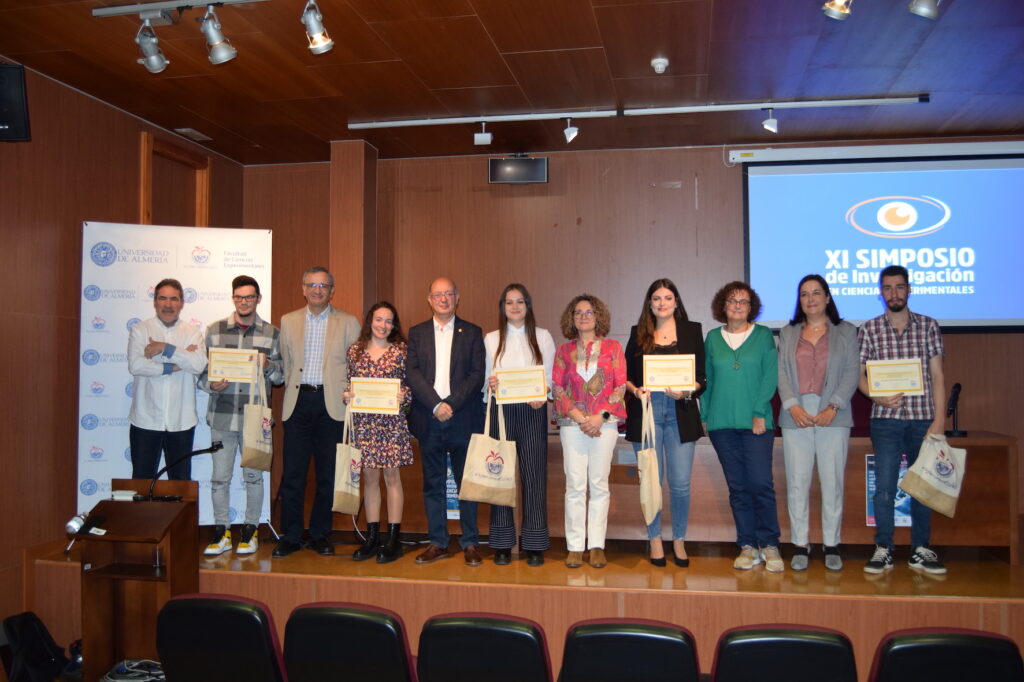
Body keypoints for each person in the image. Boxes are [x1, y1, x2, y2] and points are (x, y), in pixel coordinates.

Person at [858, 265, 947, 575]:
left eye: (899, 287)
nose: (893, 293)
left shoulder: (928, 326)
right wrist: (876, 396)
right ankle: (884, 547)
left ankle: (921, 548)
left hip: (923, 419)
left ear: (909, 289)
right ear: (880, 292)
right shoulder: (869, 329)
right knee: (884, 487)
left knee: (922, 487)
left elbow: (938, 375)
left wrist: (939, 420)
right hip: (885, 419)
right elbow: (858, 376)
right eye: (887, 288)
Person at [274, 267, 360, 558]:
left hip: (332, 404)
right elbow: (287, 363)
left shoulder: (348, 322)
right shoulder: (288, 321)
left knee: (327, 475)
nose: (317, 290)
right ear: (303, 289)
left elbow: (355, 366)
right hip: (298, 403)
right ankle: (291, 535)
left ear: (332, 290)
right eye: (312, 285)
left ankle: (320, 534)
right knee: (293, 474)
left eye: (323, 285)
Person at [777, 274, 859, 571]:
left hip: (833, 414)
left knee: (832, 482)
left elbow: (852, 371)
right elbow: (781, 372)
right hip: (795, 414)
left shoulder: (846, 332)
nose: (810, 299)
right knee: (797, 482)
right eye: (804, 294)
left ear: (827, 297)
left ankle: (831, 543)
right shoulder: (788, 333)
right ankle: (800, 543)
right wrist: (792, 406)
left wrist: (833, 406)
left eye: (815, 293)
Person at [198, 275, 283, 556]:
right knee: (219, 478)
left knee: (254, 478)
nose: (244, 302)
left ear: (258, 299)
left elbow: (281, 376)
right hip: (222, 416)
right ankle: (221, 532)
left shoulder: (271, 333)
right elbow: (201, 372)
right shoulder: (214, 330)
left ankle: (250, 530)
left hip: (254, 420)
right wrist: (210, 384)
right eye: (239, 297)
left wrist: (268, 365)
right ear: (233, 298)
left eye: (249, 297)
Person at [624, 278, 705, 567]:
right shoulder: (638, 332)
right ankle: (655, 538)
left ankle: (679, 539)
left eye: (668, 298)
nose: (662, 303)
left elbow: (702, 377)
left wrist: (688, 390)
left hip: (681, 412)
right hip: (648, 413)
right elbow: (626, 377)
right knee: (651, 482)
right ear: (650, 303)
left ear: (676, 302)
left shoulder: (692, 330)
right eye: (656, 298)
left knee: (680, 484)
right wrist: (636, 391)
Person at [703, 281, 782, 572]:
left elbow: (770, 375)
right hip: (721, 423)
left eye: (743, 301)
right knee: (737, 488)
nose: (737, 305)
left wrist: (760, 412)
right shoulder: (712, 338)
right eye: (732, 300)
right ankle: (747, 545)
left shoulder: (763, 336)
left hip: (756, 422)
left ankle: (770, 544)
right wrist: (705, 416)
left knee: (760, 484)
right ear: (723, 306)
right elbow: (707, 379)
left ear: (751, 307)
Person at [406, 277, 486, 566]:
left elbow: (477, 375)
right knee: (433, 484)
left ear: (457, 297)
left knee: (467, 484)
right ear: (429, 299)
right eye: (438, 294)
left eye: (448, 294)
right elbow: (412, 373)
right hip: (429, 418)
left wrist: (450, 404)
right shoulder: (417, 333)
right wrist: (436, 404)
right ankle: (438, 542)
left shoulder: (472, 332)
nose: (443, 299)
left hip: (463, 417)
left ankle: (470, 542)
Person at [552, 294, 627, 569]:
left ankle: (596, 545)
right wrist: (579, 417)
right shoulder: (563, 351)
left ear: (599, 316)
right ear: (571, 318)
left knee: (599, 484)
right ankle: (574, 546)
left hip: (604, 425)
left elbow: (620, 387)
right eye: (578, 313)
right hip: (572, 425)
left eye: (589, 312)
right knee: (574, 485)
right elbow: (557, 388)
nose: (583, 317)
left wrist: (599, 417)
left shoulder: (613, 348)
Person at [484, 284, 556, 567]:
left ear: (528, 305)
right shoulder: (491, 339)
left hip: (532, 411)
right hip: (501, 412)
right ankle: (502, 543)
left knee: (534, 477)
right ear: (502, 307)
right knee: (499, 475)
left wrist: (543, 393)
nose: (514, 307)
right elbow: (486, 380)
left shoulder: (542, 336)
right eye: (509, 302)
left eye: (520, 302)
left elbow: (550, 377)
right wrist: (490, 384)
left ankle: (534, 544)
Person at [343, 302, 414, 564]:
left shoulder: (402, 351)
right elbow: (349, 384)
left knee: (392, 477)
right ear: (370, 321)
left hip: (391, 423)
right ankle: (372, 538)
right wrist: (347, 395)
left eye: (389, 321)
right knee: (370, 478)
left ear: (394, 325)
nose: (383, 325)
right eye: (379, 319)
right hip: (365, 423)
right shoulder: (355, 351)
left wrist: (404, 396)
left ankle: (393, 539)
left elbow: (411, 386)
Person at [128, 278, 206, 481]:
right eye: (163, 298)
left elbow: (198, 365)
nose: (168, 304)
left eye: (174, 299)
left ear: (182, 303)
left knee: (180, 486)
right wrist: (176, 364)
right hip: (145, 420)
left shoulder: (192, 333)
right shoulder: (140, 330)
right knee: (142, 484)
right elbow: (136, 366)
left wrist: (165, 348)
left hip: (181, 422)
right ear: (155, 302)